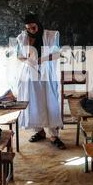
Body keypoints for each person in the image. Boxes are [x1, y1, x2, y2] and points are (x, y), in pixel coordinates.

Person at [16, 14, 65, 150]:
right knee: (33, 103)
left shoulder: (50, 36)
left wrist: (41, 60)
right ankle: (39, 131)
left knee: (51, 102)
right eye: (28, 28)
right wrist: (28, 61)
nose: (31, 30)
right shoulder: (22, 38)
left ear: (38, 24)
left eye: (33, 27)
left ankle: (54, 135)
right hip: (29, 74)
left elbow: (57, 53)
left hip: (47, 73)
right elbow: (19, 56)